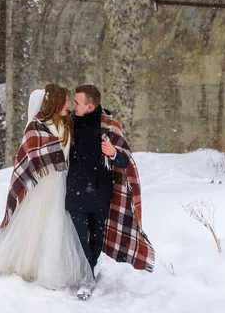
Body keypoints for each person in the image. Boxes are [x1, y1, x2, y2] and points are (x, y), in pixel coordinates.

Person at [0, 84, 94, 291]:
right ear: (54, 103)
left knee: (56, 224)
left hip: (60, 182)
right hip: (41, 183)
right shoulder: (36, 127)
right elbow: (28, 157)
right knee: (35, 222)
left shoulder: (67, 123)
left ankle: (50, 267)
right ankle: (27, 263)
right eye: (64, 101)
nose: (68, 105)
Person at [67, 84, 155, 300]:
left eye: (77, 102)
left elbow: (126, 161)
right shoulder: (68, 123)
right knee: (79, 237)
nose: (72, 105)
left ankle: (89, 273)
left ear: (89, 106)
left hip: (100, 193)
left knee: (96, 238)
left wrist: (114, 152)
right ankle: (87, 279)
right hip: (75, 189)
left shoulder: (109, 126)